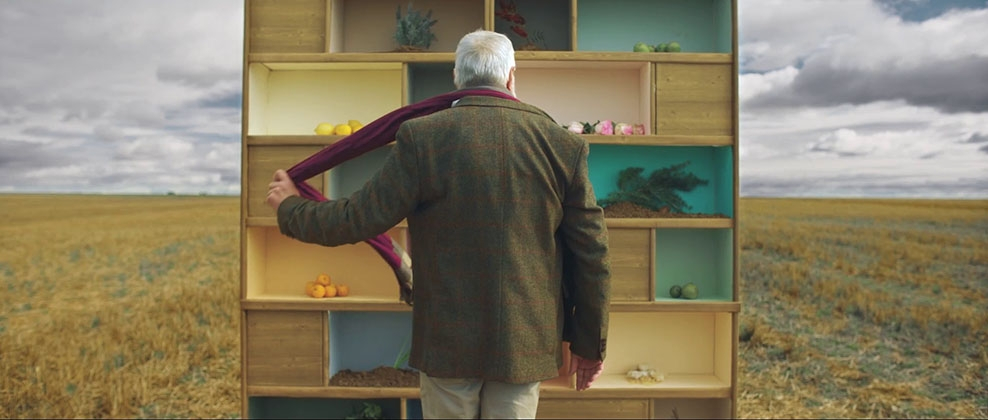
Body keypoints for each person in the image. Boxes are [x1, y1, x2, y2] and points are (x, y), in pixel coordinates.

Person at [266, 29, 610, 419]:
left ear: (456, 77)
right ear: (511, 76)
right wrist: (589, 345)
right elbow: (591, 254)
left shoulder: (423, 137)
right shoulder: (561, 144)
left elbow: (355, 219)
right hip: (524, 342)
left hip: (447, 342)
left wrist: (290, 208)